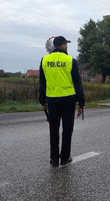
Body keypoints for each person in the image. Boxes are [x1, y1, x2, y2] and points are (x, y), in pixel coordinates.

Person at [39, 36, 85, 167]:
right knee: (67, 130)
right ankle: (65, 158)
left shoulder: (44, 60)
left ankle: (54, 159)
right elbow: (77, 83)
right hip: (69, 100)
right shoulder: (71, 61)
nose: (67, 46)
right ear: (63, 45)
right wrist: (81, 102)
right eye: (66, 44)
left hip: (52, 100)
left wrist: (42, 100)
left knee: (53, 130)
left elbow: (42, 83)